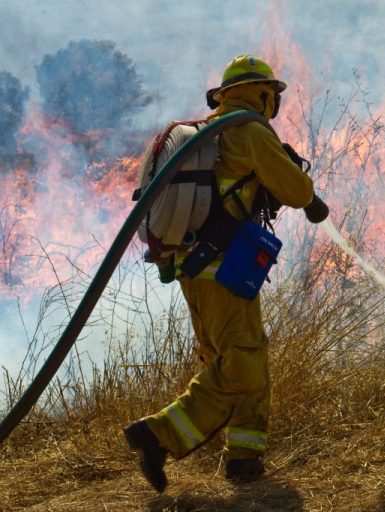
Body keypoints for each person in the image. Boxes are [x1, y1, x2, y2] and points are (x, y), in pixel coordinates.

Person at [123, 55, 327, 493]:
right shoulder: (248, 130)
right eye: (271, 96)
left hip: (193, 268)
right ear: (261, 93)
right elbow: (294, 189)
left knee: (241, 353)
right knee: (241, 365)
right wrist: (310, 198)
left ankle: (245, 460)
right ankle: (158, 434)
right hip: (222, 265)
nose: (272, 104)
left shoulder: (209, 136)